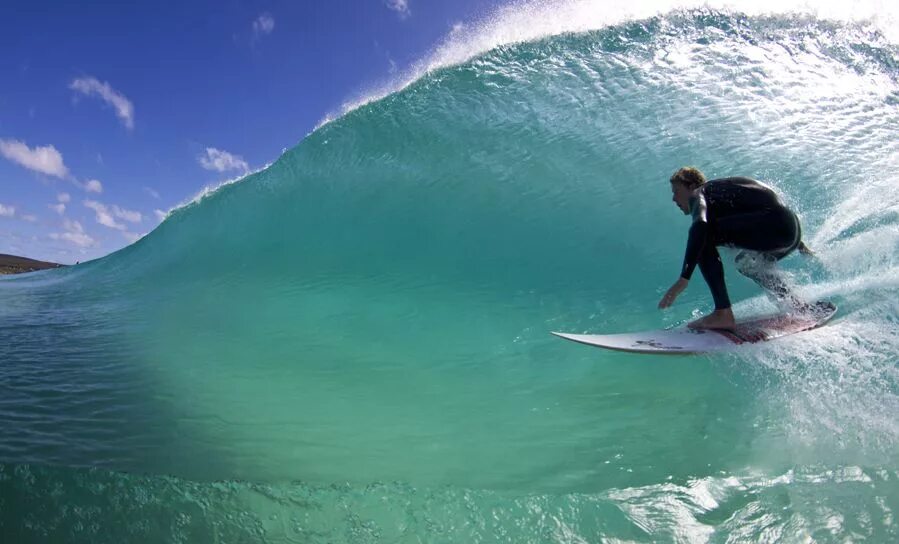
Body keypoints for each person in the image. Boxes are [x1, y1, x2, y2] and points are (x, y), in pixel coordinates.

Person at [658, 167, 813, 330]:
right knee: (748, 264)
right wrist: (799, 244)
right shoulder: (721, 194)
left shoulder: (699, 192)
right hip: (790, 232)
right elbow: (769, 207)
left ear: (691, 186)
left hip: (775, 227)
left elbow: (700, 225)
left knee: (704, 236)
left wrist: (684, 278)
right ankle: (795, 305)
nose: (674, 199)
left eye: (676, 191)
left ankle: (722, 313)